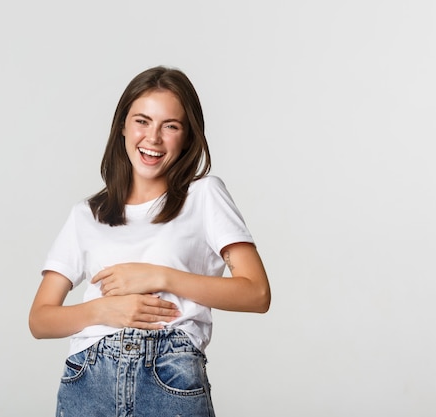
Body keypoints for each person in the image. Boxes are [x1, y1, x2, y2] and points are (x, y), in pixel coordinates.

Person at [29, 65, 271, 417]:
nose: (153, 138)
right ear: (123, 127)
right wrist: (104, 311)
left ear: (187, 136)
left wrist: (160, 276)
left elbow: (257, 294)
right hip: (88, 379)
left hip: (169, 375)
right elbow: (40, 320)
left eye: (170, 126)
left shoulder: (203, 196)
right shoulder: (87, 214)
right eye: (142, 121)